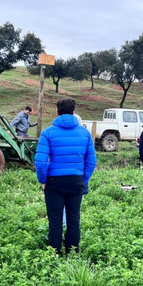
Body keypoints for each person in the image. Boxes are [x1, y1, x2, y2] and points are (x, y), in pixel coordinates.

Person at [35, 98, 96, 254]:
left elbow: (40, 161)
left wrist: (43, 180)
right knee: (74, 219)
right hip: (76, 181)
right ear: (74, 112)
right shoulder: (85, 133)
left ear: (57, 112)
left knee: (55, 220)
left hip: (54, 182)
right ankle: (72, 253)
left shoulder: (48, 133)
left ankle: (54, 254)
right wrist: (83, 179)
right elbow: (91, 161)